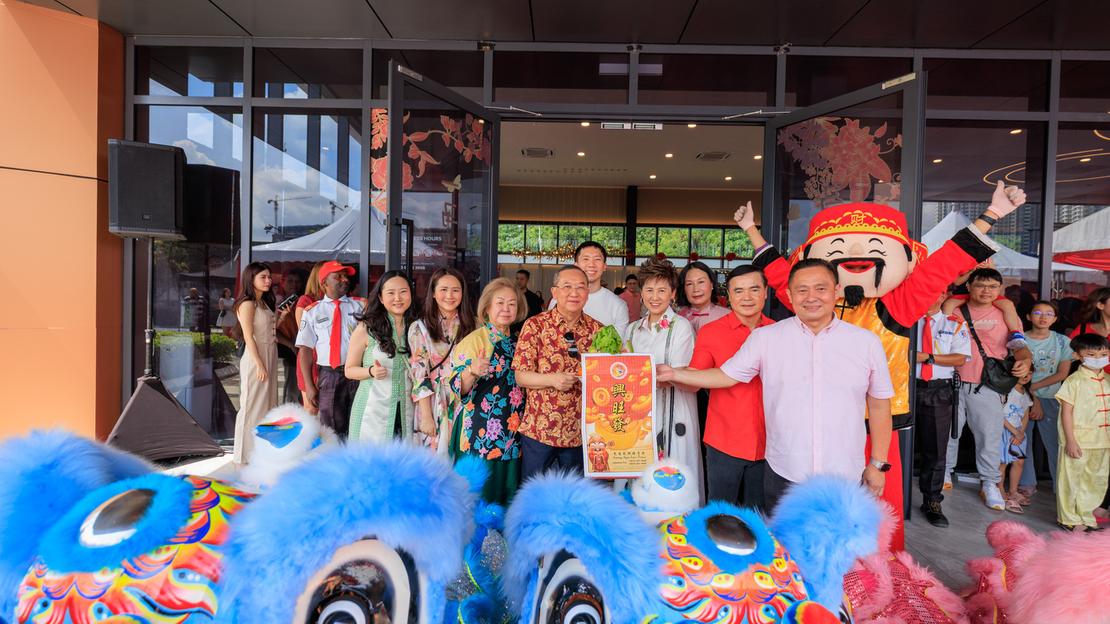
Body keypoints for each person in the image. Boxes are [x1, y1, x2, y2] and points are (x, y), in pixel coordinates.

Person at [735, 183, 1027, 549]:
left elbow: (943, 265)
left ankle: (879, 579)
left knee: (874, 509)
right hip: (815, 424)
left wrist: (992, 215)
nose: (856, 255)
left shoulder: (899, 304)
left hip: (877, 425)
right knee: (806, 510)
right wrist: (750, 230)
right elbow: (781, 274)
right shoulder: (811, 301)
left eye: (873, 248)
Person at [658, 259, 894, 512]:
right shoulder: (767, 338)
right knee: (747, 526)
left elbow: (880, 405)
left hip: (840, 470)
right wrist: (671, 373)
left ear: (836, 290)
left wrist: (878, 463)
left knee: (834, 542)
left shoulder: (865, 342)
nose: (811, 297)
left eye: (820, 288)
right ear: (790, 296)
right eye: (802, 290)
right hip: (775, 463)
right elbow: (725, 375)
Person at [944, 268, 1033, 512]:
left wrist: (1025, 360)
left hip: (986, 384)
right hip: (950, 379)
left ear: (1000, 290)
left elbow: (1019, 344)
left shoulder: (1005, 311)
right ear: (970, 287)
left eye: (993, 287)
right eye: (981, 285)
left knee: (989, 435)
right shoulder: (953, 307)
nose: (987, 291)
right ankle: (944, 473)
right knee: (949, 430)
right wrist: (953, 298)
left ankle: (990, 482)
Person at [687, 265, 773, 509]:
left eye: (754, 289)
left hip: (772, 443)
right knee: (721, 518)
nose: (747, 297)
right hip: (724, 441)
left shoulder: (780, 331)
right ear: (729, 295)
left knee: (761, 519)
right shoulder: (712, 332)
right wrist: (658, 373)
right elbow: (695, 377)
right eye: (739, 291)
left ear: (766, 292)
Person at [622, 258, 702, 504]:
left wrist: (635, 373)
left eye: (662, 290)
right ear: (641, 292)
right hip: (639, 413)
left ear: (673, 294)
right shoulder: (632, 329)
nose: (654, 297)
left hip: (673, 409)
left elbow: (676, 375)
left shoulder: (681, 327)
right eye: (649, 290)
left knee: (672, 474)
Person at [515, 265, 603, 479]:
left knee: (575, 497)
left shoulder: (598, 330)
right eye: (567, 287)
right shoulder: (535, 325)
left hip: (580, 433)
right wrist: (552, 380)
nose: (574, 293)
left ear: (587, 293)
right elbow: (521, 376)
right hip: (539, 430)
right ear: (554, 292)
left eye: (580, 287)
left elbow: (606, 377)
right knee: (533, 494)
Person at [449, 278, 527, 504]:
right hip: (479, 431)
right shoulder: (474, 340)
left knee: (507, 495)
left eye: (512, 304)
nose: (506, 309)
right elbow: (455, 387)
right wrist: (472, 371)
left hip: (512, 433)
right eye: (500, 303)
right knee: (477, 495)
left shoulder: (520, 341)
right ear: (487, 307)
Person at [913, 287, 972, 527]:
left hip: (938, 389)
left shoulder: (954, 324)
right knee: (895, 446)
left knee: (936, 449)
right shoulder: (905, 322)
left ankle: (932, 500)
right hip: (905, 387)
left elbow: (960, 357)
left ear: (942, 297)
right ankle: (892, 497)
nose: (928, 297)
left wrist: (927, 357)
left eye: (934, 294)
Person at [408, 267, 474, 453]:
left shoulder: (473, 325)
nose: (449, 295)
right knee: (434, 461)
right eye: (443, 289)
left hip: (466, 400)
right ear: (434, 293)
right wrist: (426, 416)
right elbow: (419, 375)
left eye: (455, 290)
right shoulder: (419, 327)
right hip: (435, 402)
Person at [347, 271, 418, 443]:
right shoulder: (367, 328)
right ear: (380, 297)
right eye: (391, 293)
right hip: (373, 410)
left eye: (403, 291)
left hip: (408, 411)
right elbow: (349, 370)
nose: (398, 298)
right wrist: (371, 371)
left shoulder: (417, 327)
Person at [295, 261, 364, 438]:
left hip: (358, 374)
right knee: (331, 427)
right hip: (329, 375)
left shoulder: (360, 307)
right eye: (338, 276)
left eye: (345, 276)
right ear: (324, 282)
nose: (344, 280)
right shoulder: (312, 311)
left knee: (359, 424)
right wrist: (309, 385)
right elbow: (305, 350)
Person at [233, 262, 289, 465]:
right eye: (263, 277)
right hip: (256, 357)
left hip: (270, 354)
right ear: (251, 279)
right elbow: (249, 337)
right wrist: (259, 364)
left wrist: (281, 318)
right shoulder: (247, 303)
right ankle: (242, 456)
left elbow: (269, 333)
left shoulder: (264, 303)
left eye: (268, 277)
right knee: (250, 406)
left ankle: (260, 452)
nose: (268, 280)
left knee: (268, 405)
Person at [1016, 300, 1073, 499]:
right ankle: (1026, 482)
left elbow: (1062, 373)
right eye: (1038, 312)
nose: (1043, 317)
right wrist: (1031, 394)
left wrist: (1035, 389)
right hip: (1021, 397)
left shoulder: (1061, 341)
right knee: (1022, 440)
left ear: (1055, 319)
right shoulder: (1019, 339)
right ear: (1028, 317)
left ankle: (1061, 486)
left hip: (1051, 397)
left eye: (1049, 314)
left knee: (1056, 443)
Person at [1055, 333, 1110, 532]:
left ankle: (1086, 516)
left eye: (1103, 354)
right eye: (1091, 354)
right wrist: (1070, 440)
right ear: (1078, 355)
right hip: (1078, 439)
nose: (1098, 358)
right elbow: (1066, 412)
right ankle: (1068, 518)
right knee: (1071, 479)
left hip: (1103, 441)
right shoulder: (1074, 381)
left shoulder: (1108, 380)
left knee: (1095, 480)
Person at [548, 242, 629, 336]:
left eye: (597, 259)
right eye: (586, 259)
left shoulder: (618, 305)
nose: (591, 264)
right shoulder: (558, 299)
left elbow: (618, 346)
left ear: (604, 266)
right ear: (576, 265)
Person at [999, 372, 1033, 514]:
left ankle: (1013, 491)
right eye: (1023, 373)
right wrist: (1013, 431)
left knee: (1018, 462)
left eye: (1030, 373)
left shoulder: (1026, 394)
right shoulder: (1008, 391)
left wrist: (1020, 433)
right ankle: (1000, 489)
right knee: (1003, 463)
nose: (1026, 376)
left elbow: (1025, 415)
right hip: (1005, 430)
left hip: (1018, 433)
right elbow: (999, 413)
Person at [295, 261, 325, 412]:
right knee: (311, 409)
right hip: (310, 359)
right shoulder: (306, 301)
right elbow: (304, 338)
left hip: (329, 362)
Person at [277, 268, 308, 404]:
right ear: (283, 283)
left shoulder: (304, 302)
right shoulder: (277, 303)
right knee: (292, 389)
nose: (294, 284)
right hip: (287, 351)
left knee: (302, 390)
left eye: (297, 282)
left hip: (301, 350)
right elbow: (272, 330)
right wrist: (290, 345)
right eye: (290, 281)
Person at [676, 261, 728, 335]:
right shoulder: (676, 317)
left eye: (701, 282)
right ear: (684, 289)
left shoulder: (727, 316)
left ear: (711, 284)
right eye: (689, 284)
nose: (696, 289)